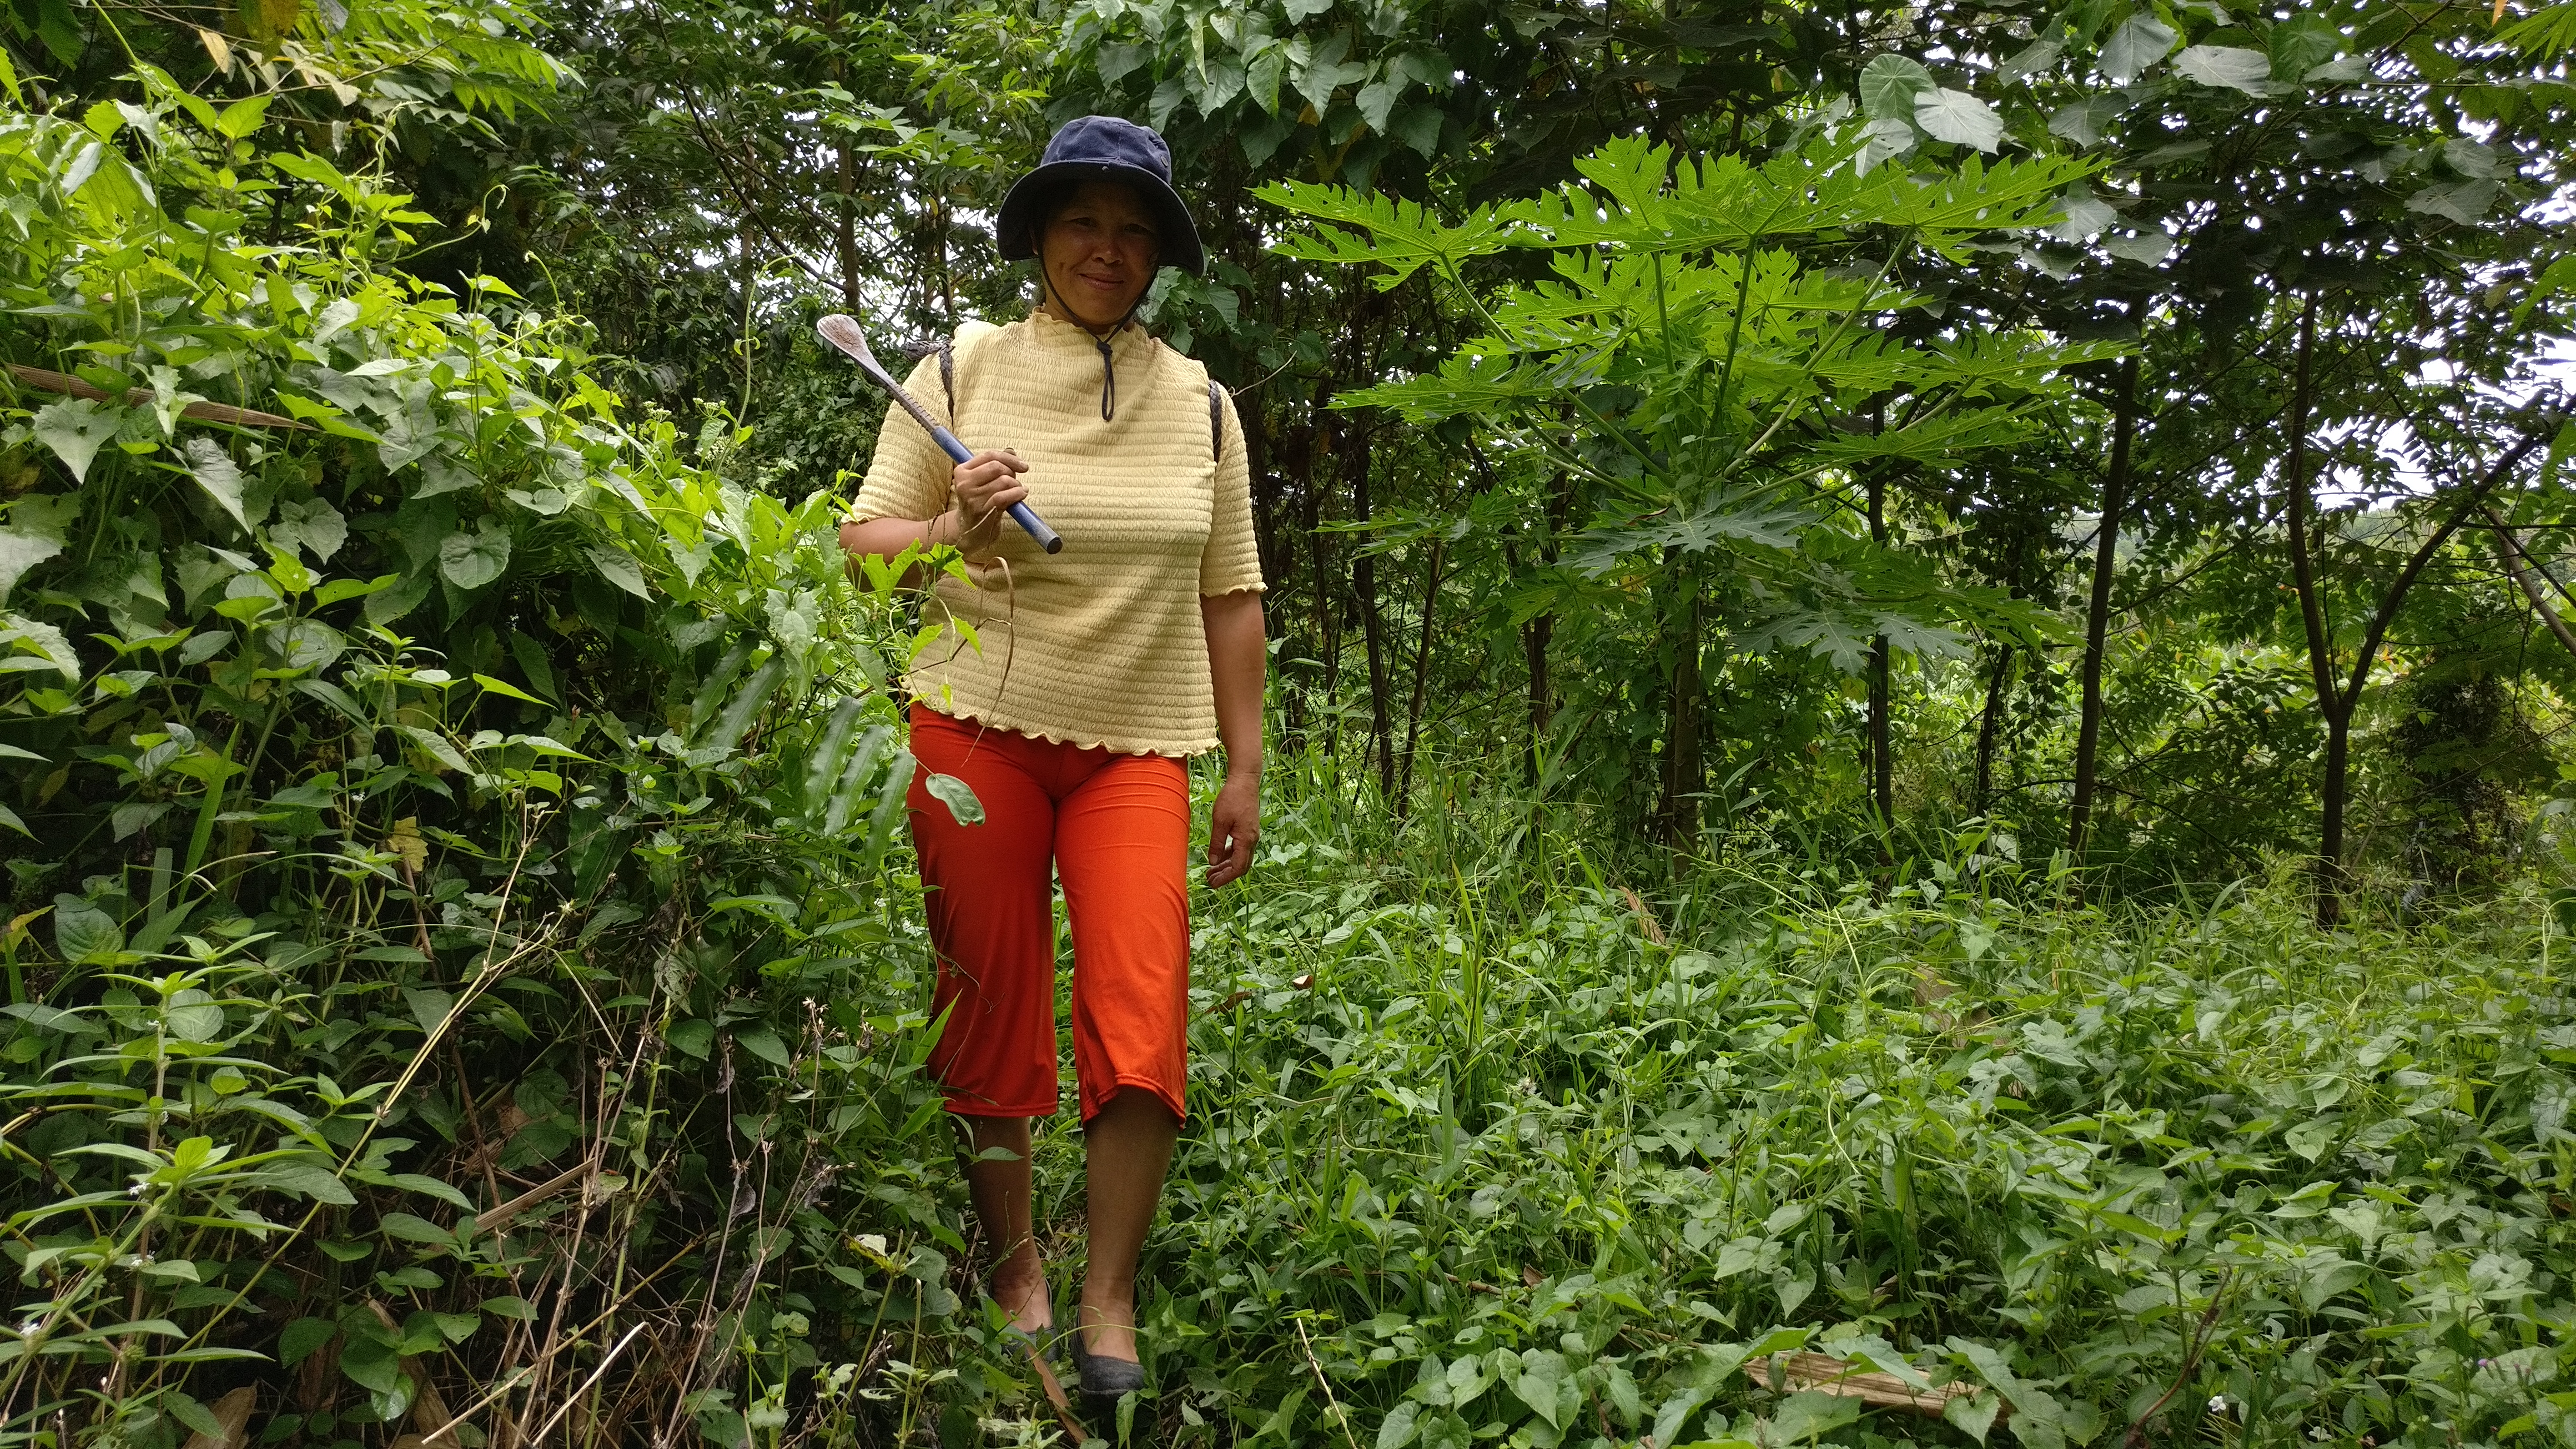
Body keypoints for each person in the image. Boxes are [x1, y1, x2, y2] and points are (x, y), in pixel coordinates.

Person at [834, 114, 1266, 1407]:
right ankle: (1016, 1270)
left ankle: (1107, 1291)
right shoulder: (955, 372)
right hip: (974, 731)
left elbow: (1230, 593)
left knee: (1143, 1006)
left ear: (1161, 256)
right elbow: (864, 551)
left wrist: (1243, 768)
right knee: (990, 995)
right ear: (1038, 236)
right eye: (1083, 220)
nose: (1108, 249)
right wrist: (953, 522)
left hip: (1139, 745)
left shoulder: (1202, 403)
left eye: (1135, 229)